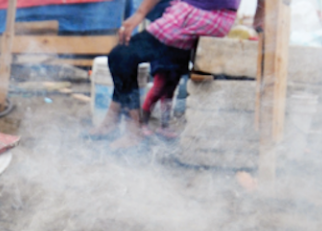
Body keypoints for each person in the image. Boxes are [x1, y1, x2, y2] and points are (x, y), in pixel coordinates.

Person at [93, 0, 241, 148]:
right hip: (211, 14)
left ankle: (133, 131)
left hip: (202, 14)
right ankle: (112, 120)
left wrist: (139, 14)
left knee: (121, 56)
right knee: (159, 61)